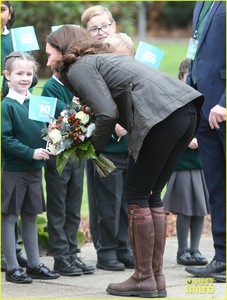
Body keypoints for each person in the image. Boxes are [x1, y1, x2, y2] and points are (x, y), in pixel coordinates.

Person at [46, 25, 204, 298]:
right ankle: (156, 278)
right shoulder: (102, 60)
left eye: (50, 55)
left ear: (65, 50)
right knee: (151, 195)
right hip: (185, 111)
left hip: (163, 117)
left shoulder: (80, 66)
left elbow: (106, 112)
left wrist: (93, 150)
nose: (48, 62)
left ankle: (144, 278)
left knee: (136, 194)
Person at [81, 6, 134, 271]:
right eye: (94, 28)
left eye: (105, 26)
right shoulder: (87, 64)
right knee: (106, 202)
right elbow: (84, 109)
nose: (101, 32)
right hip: (104, 146)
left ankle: (124, 246)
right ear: (87, 33)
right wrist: (113, 128)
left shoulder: (126, 51)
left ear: (113, 25)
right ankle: (107, 250)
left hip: (130, 147)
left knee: (125, 200)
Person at [1, 51, 60, 284]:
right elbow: (5, 139)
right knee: (9, 217)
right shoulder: (6, 106)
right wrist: (30, 153)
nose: (24, 78)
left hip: (35, 171)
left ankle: (34, 264)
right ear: (7, 76)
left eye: (29, 73)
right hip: (15, 171)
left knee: (30, 215)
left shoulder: (37, 104)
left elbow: (45, 130)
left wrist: (53, 138)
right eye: (19, 73)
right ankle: (13, 267)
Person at [41, 36, 95, 276]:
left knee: (73, 207)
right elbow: (54, 121)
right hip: (59, 156)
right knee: (58, 207)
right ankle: (61, 257)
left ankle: (73, 253)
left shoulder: (75, 86)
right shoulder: (50, 88)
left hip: (77, 155)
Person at [184, 1, 226, 282]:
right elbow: (195, 47)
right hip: (202, 105)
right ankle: (222, 257)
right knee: (216, 187)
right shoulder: (202, 3)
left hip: (221, 106)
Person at [163, 58, 209, 266]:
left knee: (199, 208)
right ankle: (182, 250)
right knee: (185, 208)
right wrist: (186, 139)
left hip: (201, 162)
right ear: (181, 77)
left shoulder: (204, 98)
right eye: (187, 77)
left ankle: (195, 249)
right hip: (182, 163)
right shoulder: (173, 99)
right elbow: (167, 129)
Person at [1, 0, 27, 272]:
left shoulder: (16, 39)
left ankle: (12, 249)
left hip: (9, 110)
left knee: (11, 189)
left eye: (2, 8)